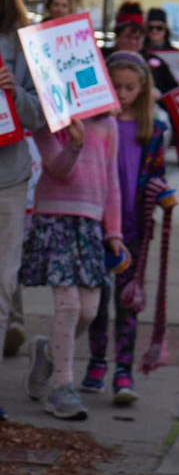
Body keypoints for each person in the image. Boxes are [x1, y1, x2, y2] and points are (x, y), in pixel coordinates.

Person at [22, 111, 128, 421]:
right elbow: (58, 168)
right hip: (55, 220)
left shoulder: (108, 125)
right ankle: (62, 386)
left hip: (91, 226)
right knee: (68, 307)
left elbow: (112, 181)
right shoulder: (47, 121)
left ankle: (48, 352)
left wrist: (114, 233)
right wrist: (75, 143)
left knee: (89, 312)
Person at [79, 52, 172, 405]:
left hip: (135, 230)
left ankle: (124, 370)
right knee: (98, 303)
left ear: (143, 88)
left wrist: (161, 192)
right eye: (115, 86)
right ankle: (98, 362)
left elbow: (157, 173)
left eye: (130, 87)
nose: (122, 93)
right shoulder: (96, 123)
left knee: (128, 303)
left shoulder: (154, 130)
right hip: (97, 226)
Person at [0, 0, 44, 398]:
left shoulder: (23, 39)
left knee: (0, 288)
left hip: (8, 179)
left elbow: (43, 114)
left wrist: (15, 90)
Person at [108, 1, 179, 99]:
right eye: (128, 37)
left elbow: (174, 94)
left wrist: (159, 96)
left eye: (137, 38)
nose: (133, 42)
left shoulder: (155, 63)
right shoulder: (104, 59)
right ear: (117, 36)